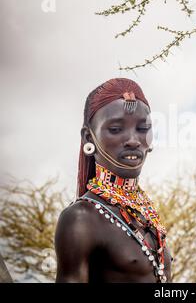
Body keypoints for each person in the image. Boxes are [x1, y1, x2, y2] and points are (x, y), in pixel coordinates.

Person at [55, 78, 172, 283]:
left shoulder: (146, 215)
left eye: (143, 129)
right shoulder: (81, 218)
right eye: (116, 129)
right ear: (88, 138)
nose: (134, 140)